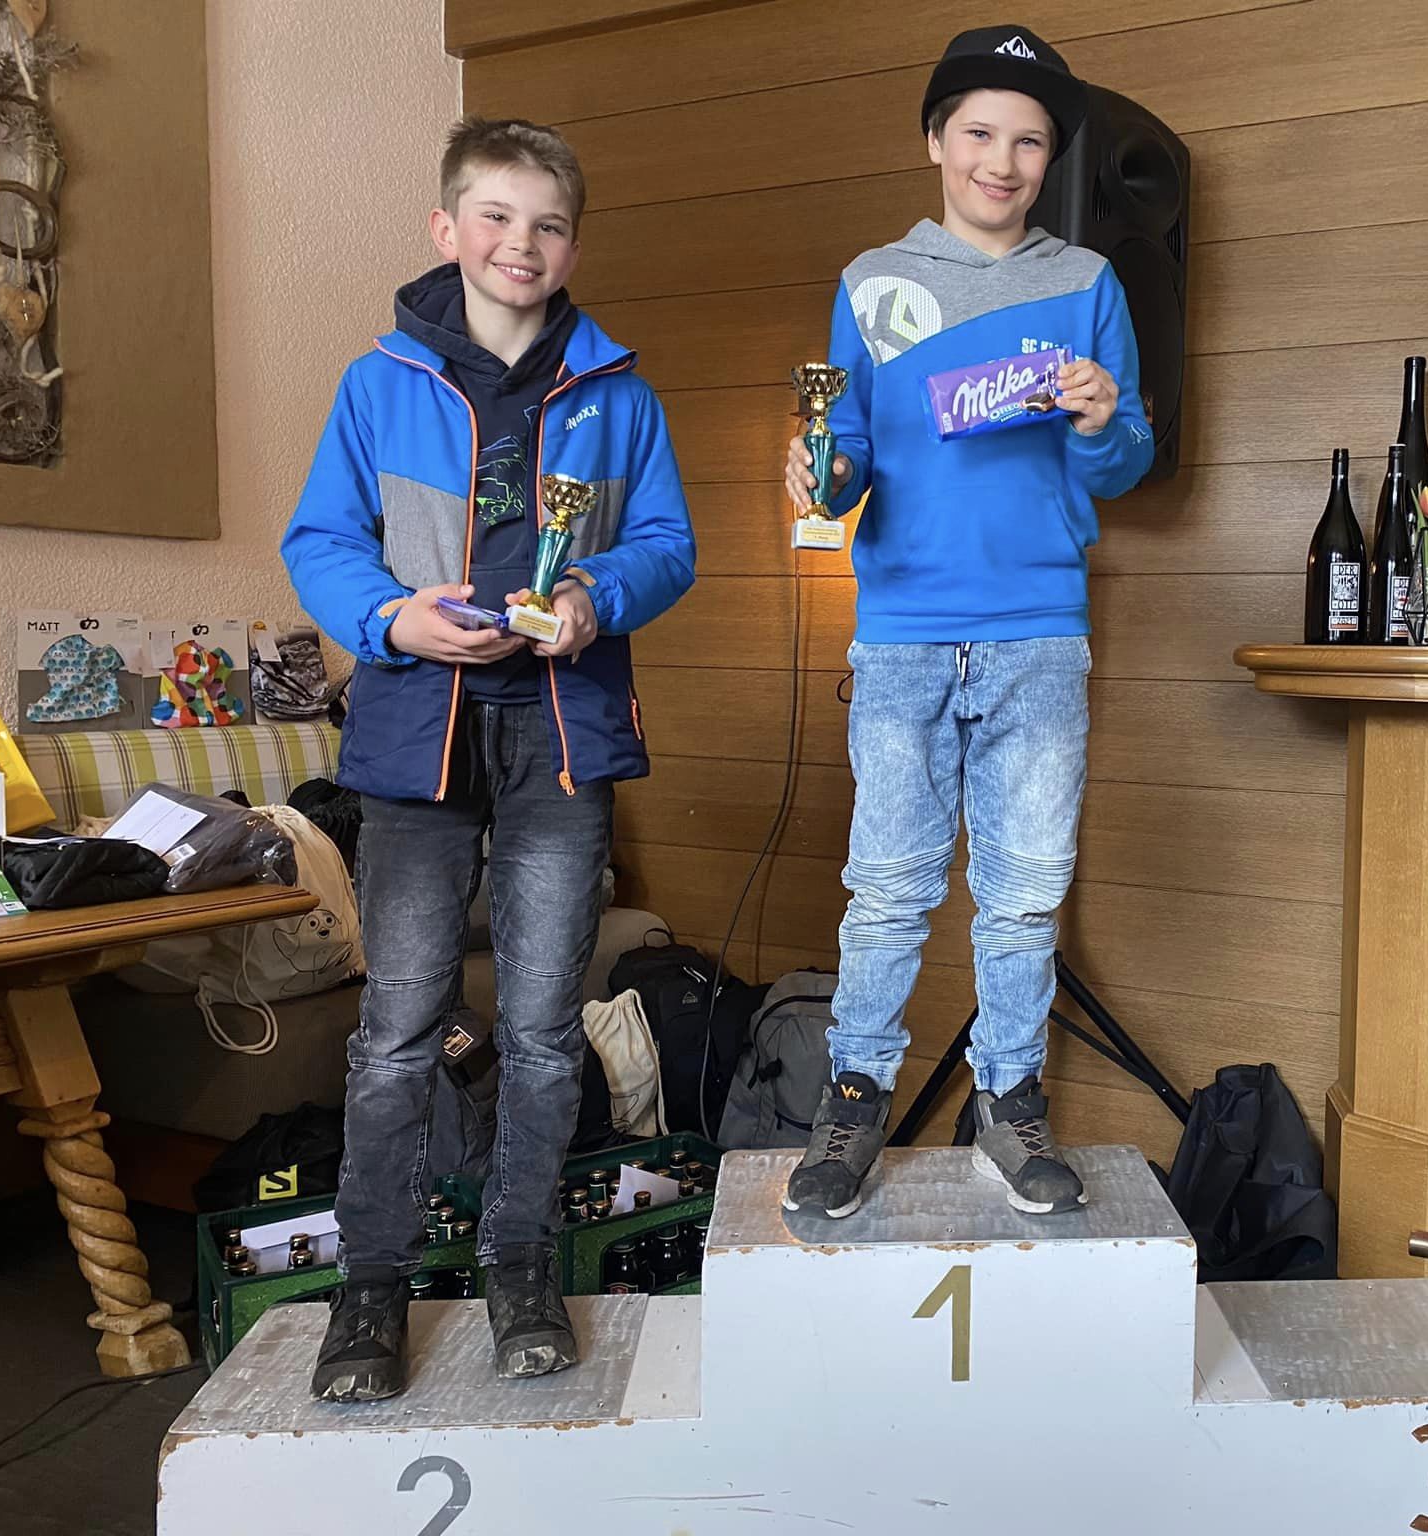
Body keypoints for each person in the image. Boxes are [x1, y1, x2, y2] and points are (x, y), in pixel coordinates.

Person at [281, 115, 695, 1400]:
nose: (523, 243)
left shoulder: (621, 393)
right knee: (397, 1032)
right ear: (447, 229)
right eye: (498, 217)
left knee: (542, 1031)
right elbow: (320, 540)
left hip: (561, 744)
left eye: (549, 224)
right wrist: (389, 620)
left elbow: (668, 546)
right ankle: (372, 1282)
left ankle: (521, 1262)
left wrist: (594, 601)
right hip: (415, 739)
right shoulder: (376, 385)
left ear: (573, 244)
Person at [780, 27, 1154, 1220]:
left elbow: (1124, 465)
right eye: (980, 133)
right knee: (888, 890)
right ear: (934, 141)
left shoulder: (1087, 285)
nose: (1002, 161)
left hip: (1039, 629)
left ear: (1050, 160)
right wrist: (818, 473)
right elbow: (845, 462)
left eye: (1028, 142)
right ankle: (853, 1101)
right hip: (898, 634)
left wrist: (1098, 419)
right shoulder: (868, 282)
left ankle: (1007, 1099)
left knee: (1025, 894)